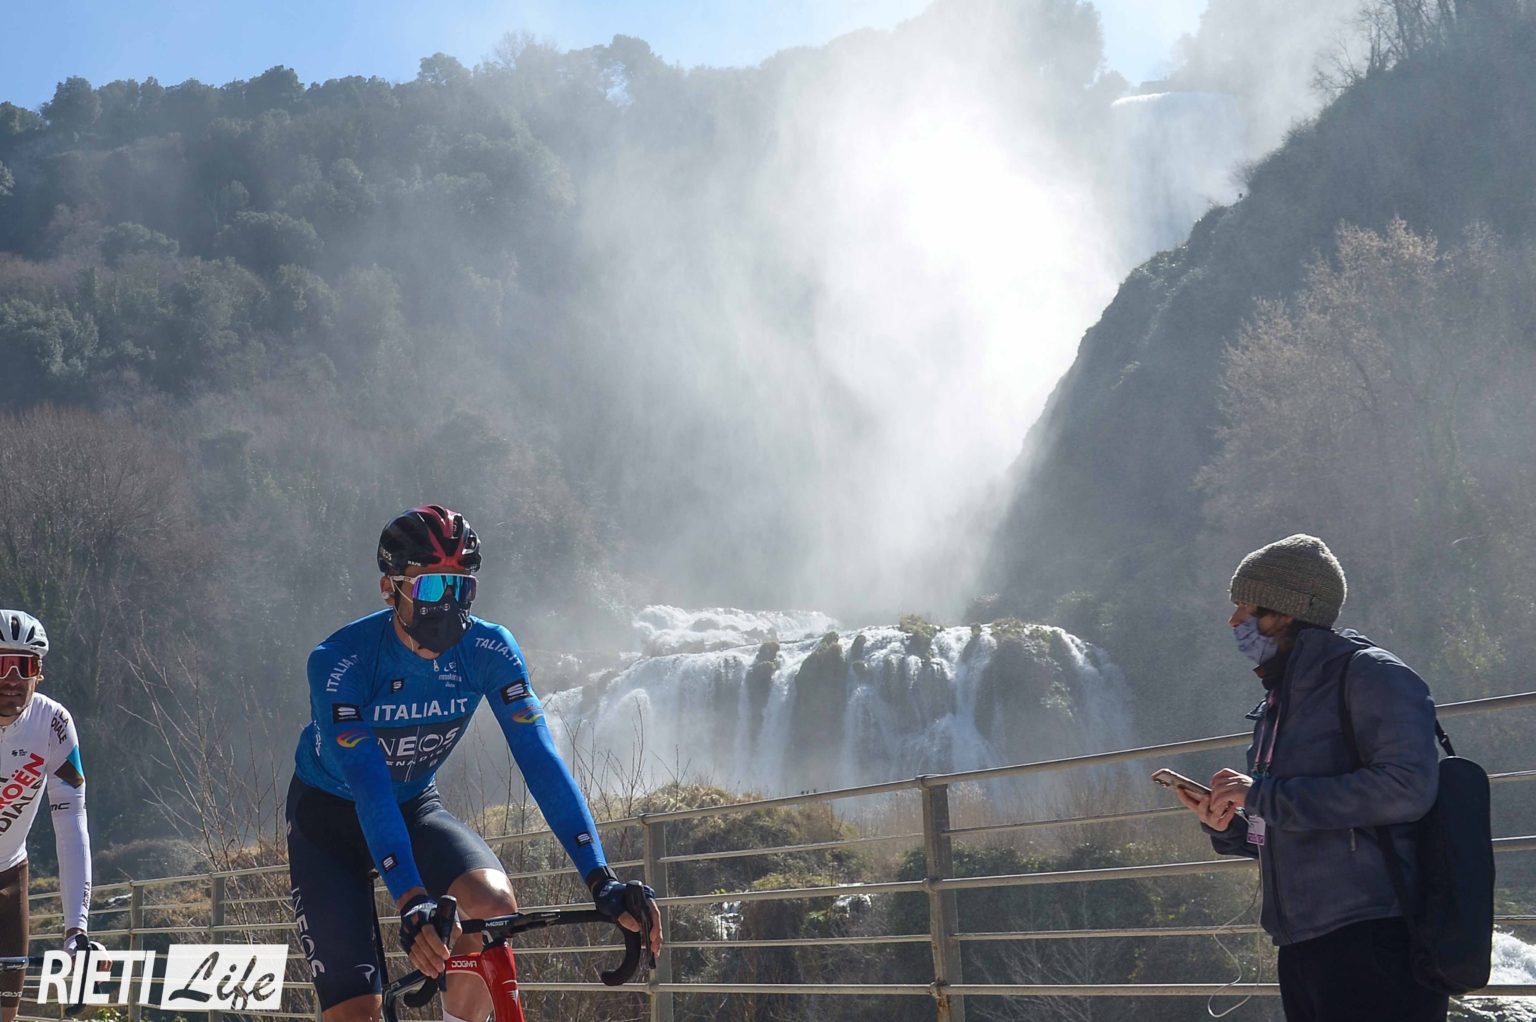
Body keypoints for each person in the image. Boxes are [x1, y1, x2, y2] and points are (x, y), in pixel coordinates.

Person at [286, 505, 662, 1022]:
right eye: (431, 587)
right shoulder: (339, 661)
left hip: (413, 805)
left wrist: (601, 878)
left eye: (461, 588)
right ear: (389, 588)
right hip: (329, 820)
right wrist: (411, 899)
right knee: (358, 1015)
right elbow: (368, 784)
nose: (447, 604)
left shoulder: (490, 649)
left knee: (492, 905)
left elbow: (541, 761)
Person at [1174, 534, 1445, 1022]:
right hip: (1302, 943)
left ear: (1284, 611)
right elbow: (1286, 822)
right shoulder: (1279, 702)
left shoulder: (1372, 674)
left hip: (1376, 935)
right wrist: (1231, 825)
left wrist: (1263, 795)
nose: (1234, 621)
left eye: (1245, 607)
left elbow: (1407, 789)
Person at [0, 611, 94, 1022]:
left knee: (6, 1012)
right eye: (2, 664)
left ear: (39, 673)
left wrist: (76, 930)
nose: (13, 678)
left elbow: (71, 823)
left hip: (9, 875)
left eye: (25, 665)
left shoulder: (54, 723)